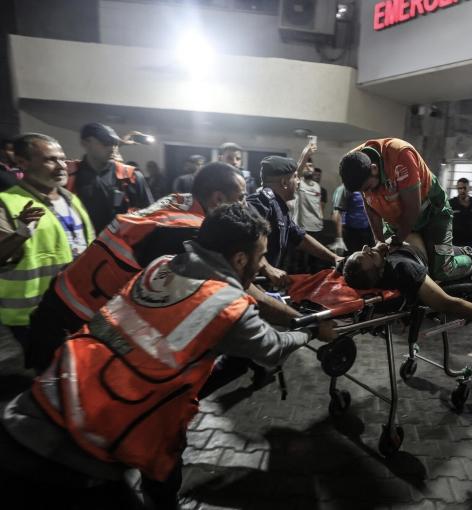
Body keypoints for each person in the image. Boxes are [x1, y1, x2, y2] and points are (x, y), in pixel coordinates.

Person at [0, 202, 336, 508]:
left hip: (38, 405)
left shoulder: (159, 267)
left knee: (167, 452)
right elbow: (273, 349)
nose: (261, 265)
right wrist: (309, 329)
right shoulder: (228, 307)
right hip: (80, 454)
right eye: (259, 256)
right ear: (239, 259)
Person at [25, 162, 247, 372]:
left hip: (65, 298)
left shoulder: (179, 203)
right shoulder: (187, 231)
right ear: (218, 199)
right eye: (242, 198)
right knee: (72, 401)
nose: (246, 205)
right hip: (74, 323)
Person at [339, 138, 472, 283]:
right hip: (395, 218)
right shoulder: (352, 164)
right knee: (396, 259)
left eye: (369, 188)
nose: (369, 193)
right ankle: (443, 252)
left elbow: (412, 210)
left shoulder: (400, 155)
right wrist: (379, 241)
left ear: (374, 168)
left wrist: (397, 241)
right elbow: (370, 207)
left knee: (442, 271)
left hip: (432, 212)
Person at [0, 134, 94, 350]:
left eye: (62, 158)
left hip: (75, 304)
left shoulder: (72, 198)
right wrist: (21, 233)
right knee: (51, 371)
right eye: (50, 159)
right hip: (34, 314)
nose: (61, 166)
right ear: (22, 162)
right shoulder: (7, 203)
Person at [342, 239, 472, 339]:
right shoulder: (403, 268)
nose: (366, 248)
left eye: (364, 250)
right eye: (369, 254)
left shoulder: (365, 269)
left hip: (422, 241)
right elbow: (447, 303)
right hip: (443, 255)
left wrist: (380, 247)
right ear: (380, 271)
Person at [248, 152, 341, 289]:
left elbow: (301, 238)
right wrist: (266, 267)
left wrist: (334, 258)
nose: (298, 182)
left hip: (264, 282)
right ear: (285, 182)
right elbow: (246, 235)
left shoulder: (280, 207)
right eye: (296, 177)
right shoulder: (261, 201)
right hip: (250, 282)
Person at [66, 123, 153, 233]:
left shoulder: (131, 176)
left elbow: (150, 216)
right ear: (85, 143)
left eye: (114, 142)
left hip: (121, 246)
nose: (112, 147)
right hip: (82, 246)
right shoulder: (68, 174)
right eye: (105, 142)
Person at [292, 158, 326, 273]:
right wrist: (306, 154)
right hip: (301, 228)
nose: (308, 168)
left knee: (315, 262)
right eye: (305, 166)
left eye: (310, 165)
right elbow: (297, 171)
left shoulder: (317, 186)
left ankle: (314, 288)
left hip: (317, 228)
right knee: (299, 263)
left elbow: (318, 205)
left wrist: (321, 217)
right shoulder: (298, 183)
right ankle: (297, 288)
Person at [329, 183, 374, 255]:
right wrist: (339, 239)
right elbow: (336, 212)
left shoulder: (365, 187)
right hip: (350, 233)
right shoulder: (344, 188)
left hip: (366, 232)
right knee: (350, 260)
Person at [449, 178, 472, 248]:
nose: (462, 191)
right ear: (457, 189)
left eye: (464, 188)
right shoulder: (451, 203)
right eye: (460, 188)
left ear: (469, 188)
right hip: (455, 243)